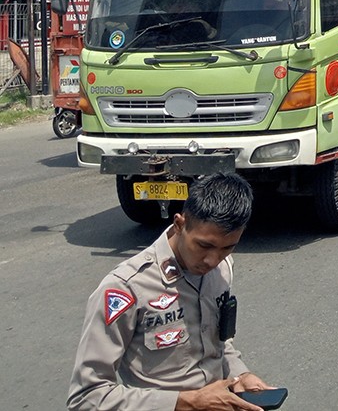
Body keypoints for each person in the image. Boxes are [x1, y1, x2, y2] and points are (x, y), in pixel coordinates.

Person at [68, 172, 271, 411]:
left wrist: (240, 376)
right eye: (204, 245)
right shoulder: (126, 288)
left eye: (228, 247)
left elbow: (219, 343)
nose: (213, 260)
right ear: (179, 224)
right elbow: (86, 397)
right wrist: (184, 402)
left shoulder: (222, 270)